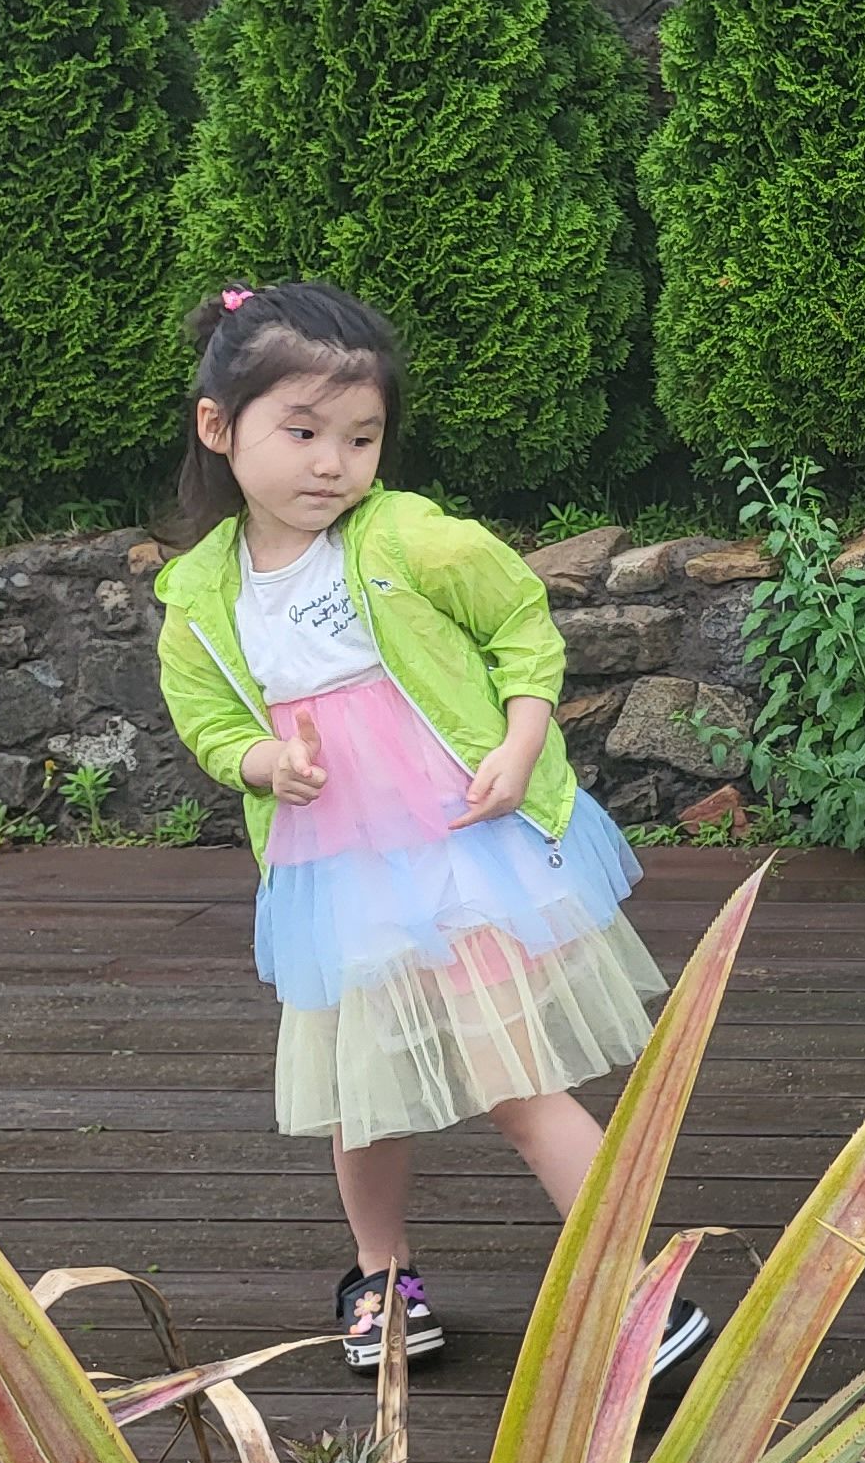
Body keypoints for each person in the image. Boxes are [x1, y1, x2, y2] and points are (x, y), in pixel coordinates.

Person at [154, 283, 684, 1377]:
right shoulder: (201, 596)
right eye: (303, 433)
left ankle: (630, 1278)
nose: (333, 464)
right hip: (335, 867)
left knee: (517, 1074)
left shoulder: (406, 535)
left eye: (361, 438)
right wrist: (262, 762)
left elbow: (521, 624)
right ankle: (380, 1273)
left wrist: (522, 741)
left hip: (455, 845)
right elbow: (207, 722)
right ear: (220, 427)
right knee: (366, 1094)